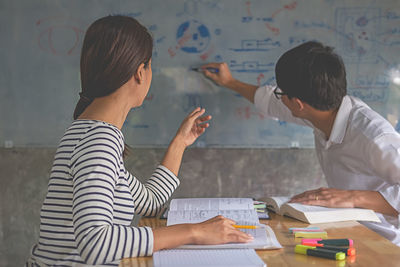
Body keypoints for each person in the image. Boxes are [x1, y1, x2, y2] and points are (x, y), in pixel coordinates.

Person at [26, 15, 253, 266]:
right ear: (139, 73)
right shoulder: (98, 140)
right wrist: (195, 232)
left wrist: (179, 143)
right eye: (150, 66)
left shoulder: (89, 131)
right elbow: (95, 243)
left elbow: (151, 203)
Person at [201, 41, 400, 246]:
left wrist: (353, 197)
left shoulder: (373, 135)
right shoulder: (321, 108)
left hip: (385, 243)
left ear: (297, 104)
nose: (280, 98)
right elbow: (270, 101)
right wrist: (230, 82)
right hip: (350, 230)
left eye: (282, 93)